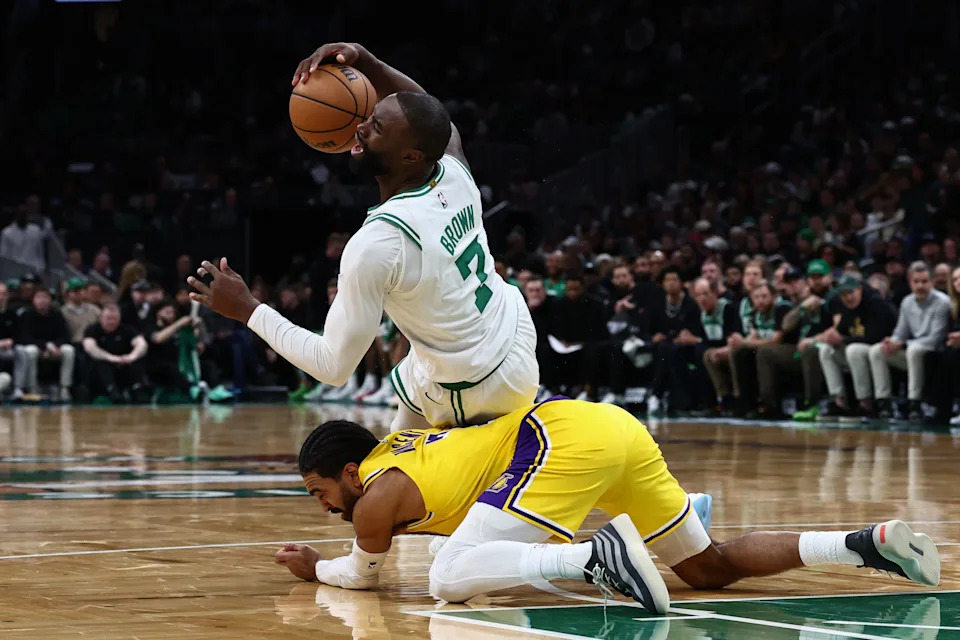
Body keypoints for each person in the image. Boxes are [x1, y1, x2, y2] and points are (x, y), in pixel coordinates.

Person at [274, 398, 940, 612]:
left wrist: (317, 569)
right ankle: (862, 544)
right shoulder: (398, 451)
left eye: (319, 490)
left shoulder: (371, 501)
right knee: (705, 570)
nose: (323, 506)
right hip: (613, 429)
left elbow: (364, 574)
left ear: (349, 471)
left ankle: (599, 555)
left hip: (557, 437)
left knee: (449, 576)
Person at [189, 41, 538, 431]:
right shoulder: (451, 168)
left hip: (478, 386)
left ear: (410, 157)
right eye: (370, 116)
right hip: (510, 334)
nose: (360, 126)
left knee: (386, 487)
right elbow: (430, 113)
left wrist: (248, 309)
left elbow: (332, 366)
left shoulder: (380, 242)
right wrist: (365, 59)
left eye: (377, 127)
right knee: (393, 434)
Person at [868, 261, 950, 421]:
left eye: (924, 281)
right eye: (916, 282)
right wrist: (892, 342)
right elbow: (900, 332)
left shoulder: (943, 302)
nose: (920, 286)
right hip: (913, 352)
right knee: (877, 350)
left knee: (914, 350)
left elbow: (936, 339)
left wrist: (904, 344)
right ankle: (884, 403)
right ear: (910, 282)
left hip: (934, 355)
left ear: (932, 282)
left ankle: (915, 403)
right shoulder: (907, 301)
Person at [82, 304, 150, 403]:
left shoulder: (127, 330)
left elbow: (142, 344)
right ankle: (113, 391)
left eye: (114, 318)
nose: (111, 322)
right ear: (101, 318)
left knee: (137, 361)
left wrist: (131, 357)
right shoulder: (92, 330)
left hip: (123, 367)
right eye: (108, 318)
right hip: (100, 374)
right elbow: (90, 348)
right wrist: (112, 358)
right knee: (101, 363)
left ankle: (138, 390)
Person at [18, 289, 75, 402]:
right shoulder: (27, 315)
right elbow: (25, 338)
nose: (42, 301)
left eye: (45, 297)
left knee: (69, 350)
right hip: (37, 347)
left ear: (50, 300)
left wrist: (55, 346)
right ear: (33, 300)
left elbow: (65, 336)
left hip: (54, 349)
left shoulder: (57, 315)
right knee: (30, 351)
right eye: (39, 298)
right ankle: (32, 388)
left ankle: (65, 387)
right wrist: (45, 346)